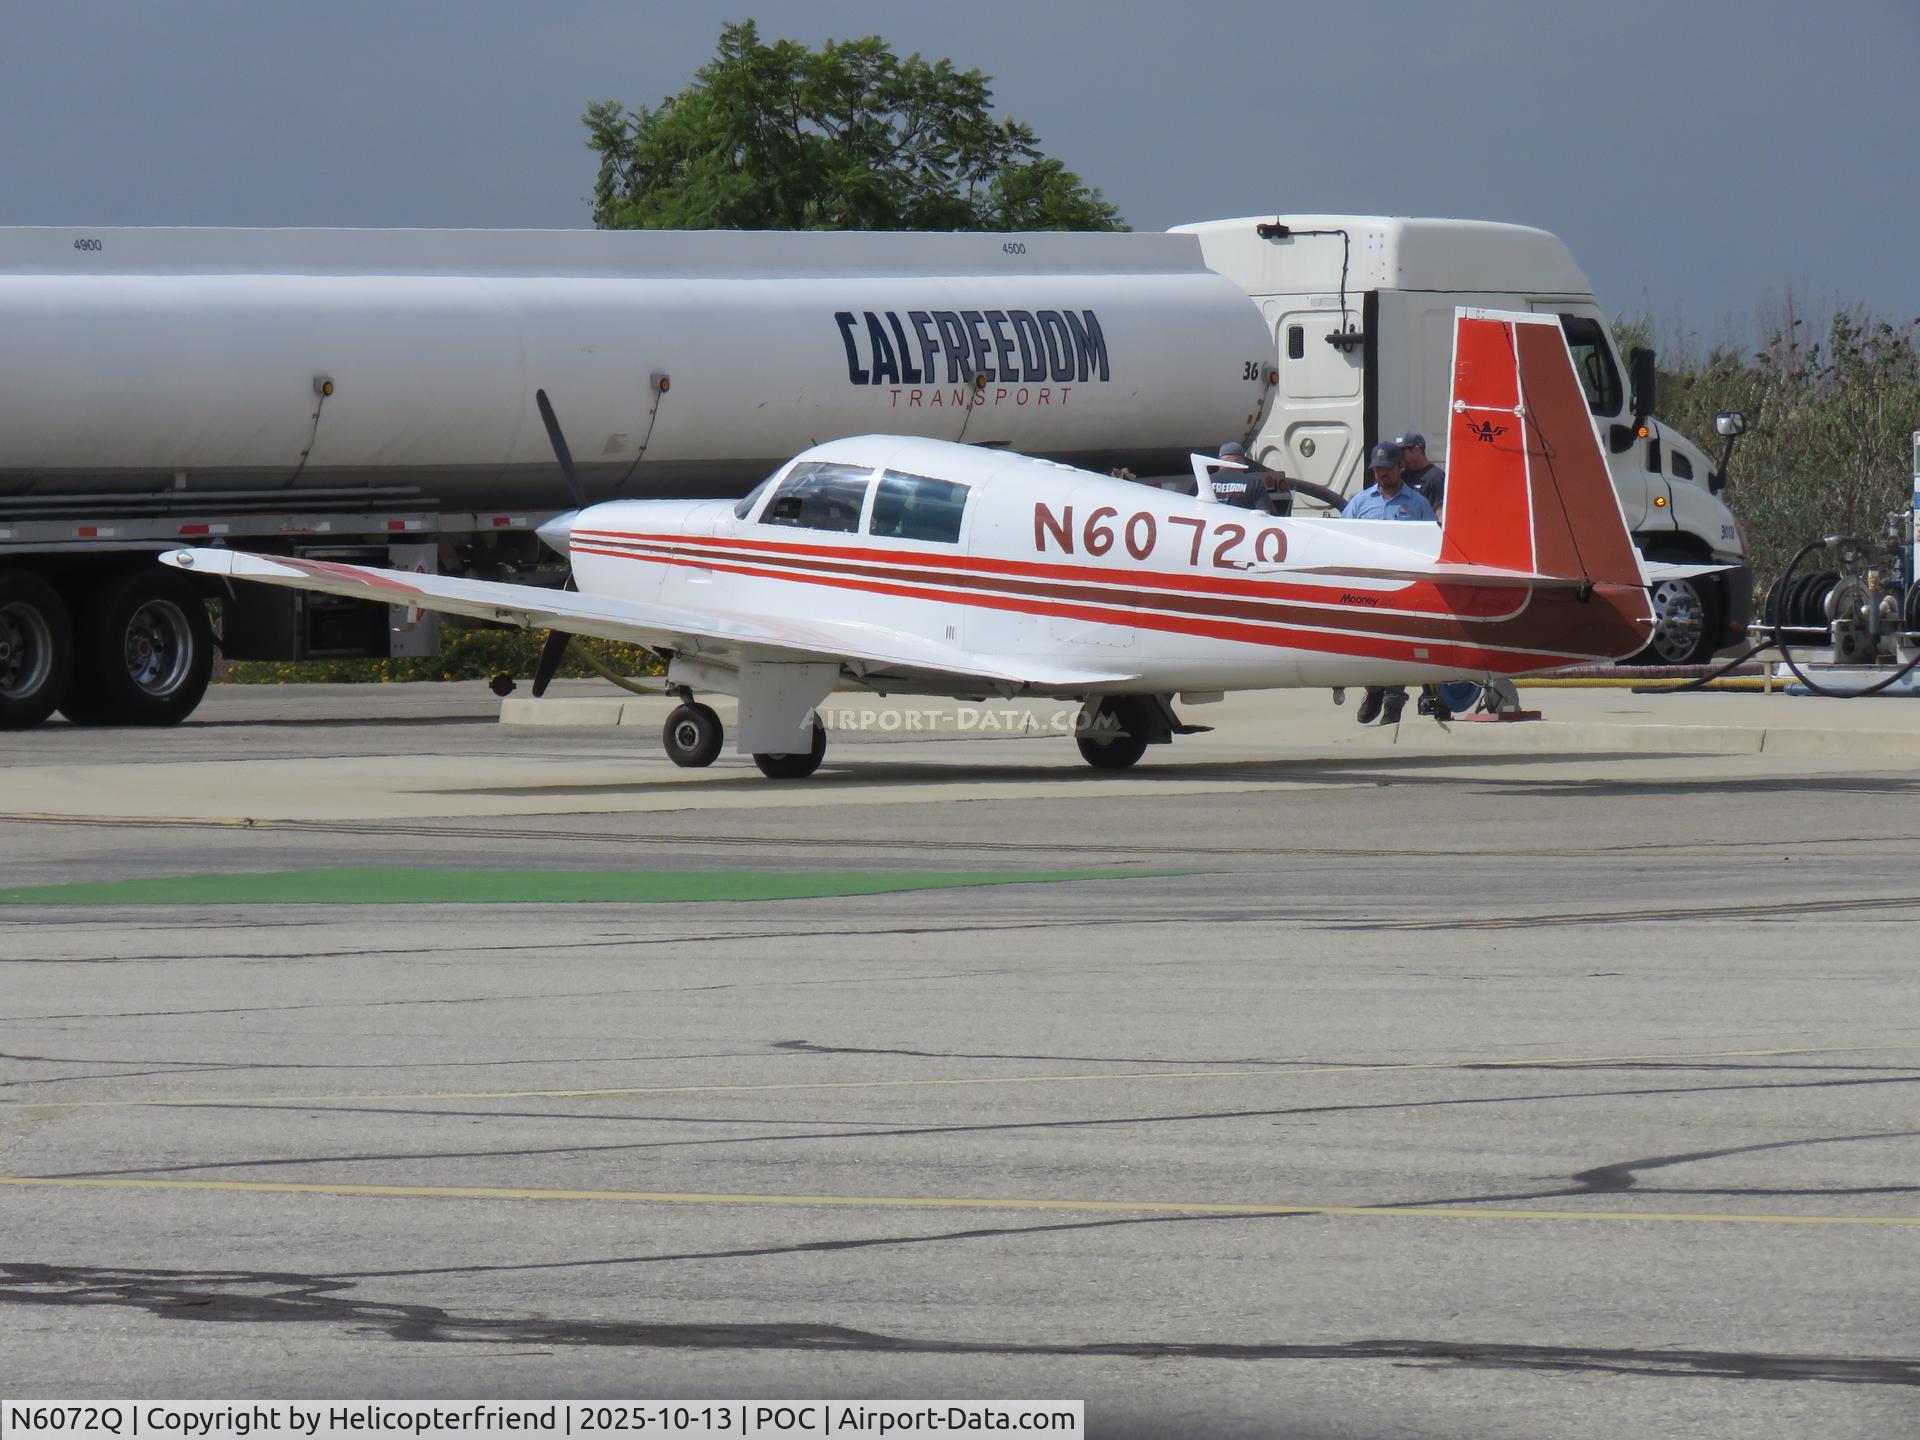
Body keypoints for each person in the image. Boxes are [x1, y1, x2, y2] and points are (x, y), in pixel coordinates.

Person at [1343, 441, 1435, 725]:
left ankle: (1393, 702)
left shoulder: (1417, 504)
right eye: (1377, 469)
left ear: (1400, 468)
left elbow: (1432, 543)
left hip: (1402, 588)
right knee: (1367, 646)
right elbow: (1342, 539)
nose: (1381, 474)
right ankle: (1373, 690)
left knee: (1398, 645)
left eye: (1387, 469)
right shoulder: (1360, 503)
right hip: (1367, 587)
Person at [1207, 441, 1285, 512]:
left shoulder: (1204, 481)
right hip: (1242, 527)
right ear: (1242, 461)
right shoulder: (1254, 482)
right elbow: (1266, 513)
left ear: (1219, 461)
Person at [1396, 431, 1446, 515]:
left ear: (1417, 450)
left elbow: (1440, 512)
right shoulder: (1401, 476)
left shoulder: (1435, 477)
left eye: (1402, 453)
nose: (1400, 458)